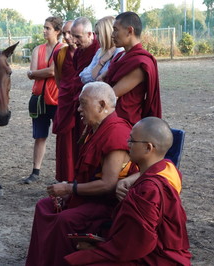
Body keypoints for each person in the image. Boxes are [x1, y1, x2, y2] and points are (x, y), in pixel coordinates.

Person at [25, 82, 137, 266]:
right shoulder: (96, 128)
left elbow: (108, 184)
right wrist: (70, 191)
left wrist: (70, 188)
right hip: (88, 197)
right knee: (43, 206)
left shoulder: (116, 132)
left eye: (83, 104)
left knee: (63, 220)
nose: (78, 109)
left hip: (106, 204)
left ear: (102, 105)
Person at [65, 117, 192, 265]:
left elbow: (137, 244)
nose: (127, 144)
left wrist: (96, 249)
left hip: (154, 258)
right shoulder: (158, 175)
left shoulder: (149, 190)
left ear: (148, 148)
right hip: (145, 250)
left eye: (132, 141)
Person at [52, 17, 100, 182]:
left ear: (90, 34)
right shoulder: (75, 52)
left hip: (88, 102)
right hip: (71, 98)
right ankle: (69, 178)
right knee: (69, 142)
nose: (73, 40)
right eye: (71, 35)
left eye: (77, 37)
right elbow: (66, 78)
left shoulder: (98, 50)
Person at [23, 17, 64, 184]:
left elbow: (53, 72)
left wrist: (36, 73)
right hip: (40, 99)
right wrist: (42, 72)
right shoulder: (37, 50)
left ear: (57, 31)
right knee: (39, 136)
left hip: (57, 99)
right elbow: (30, 73)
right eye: (44, 27)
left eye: (48, 28)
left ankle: (62, 173)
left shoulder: (63, 49)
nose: (44, 30)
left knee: (61, 138)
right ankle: (35, 171)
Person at [105, 11, 161, 125]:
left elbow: (111, 94)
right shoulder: (120, 56)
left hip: (125, 122)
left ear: (130, 31)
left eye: (116, 30)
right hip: (110, 116)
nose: (112, 34)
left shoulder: (141, 62)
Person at [79, 16, 124, 84]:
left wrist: (96, 72)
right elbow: (84, 78)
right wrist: (101, 62)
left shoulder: (120, 52)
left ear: (107, 34)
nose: (96, 38)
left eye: (98, 34)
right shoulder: (100, 51)